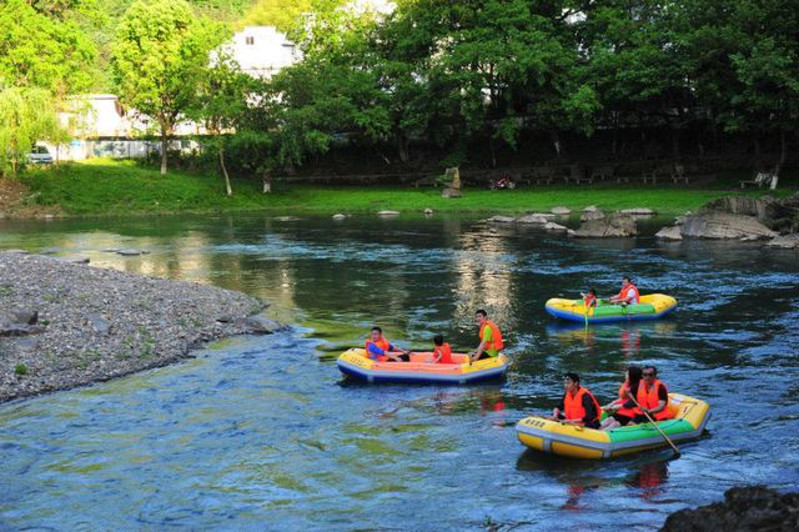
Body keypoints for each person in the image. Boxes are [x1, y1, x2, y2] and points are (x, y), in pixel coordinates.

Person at [599, 365, 643, 430]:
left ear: (633, 376)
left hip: (632, 412)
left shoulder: (638, 388)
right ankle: (594, 431)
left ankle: (601, 435)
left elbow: (632, 403)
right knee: (609, 419)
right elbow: (622, 398)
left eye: (627, 374)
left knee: (615, 423)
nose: (626, 375)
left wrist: (614, 407)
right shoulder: (627, 383)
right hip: (622, 410)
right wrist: (612, 403)